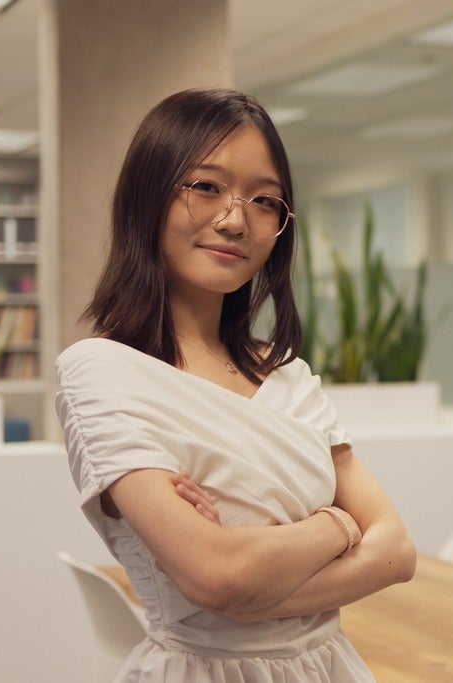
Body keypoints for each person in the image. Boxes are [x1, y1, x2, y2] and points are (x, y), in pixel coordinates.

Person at [55, 87, 416, 682]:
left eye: (264, 199)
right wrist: (340, 526)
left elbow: (397, 552)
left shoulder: (287, 375)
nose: (235, 219)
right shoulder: (101, 370)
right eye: (206, 186)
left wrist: (252, 585)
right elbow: (214, 576)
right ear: (148, 195)